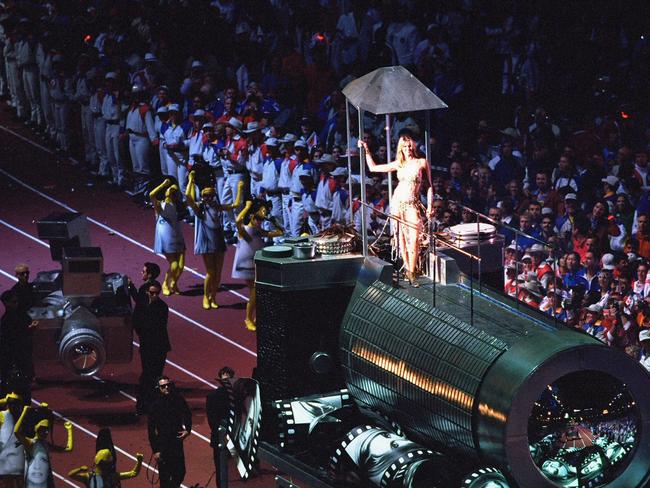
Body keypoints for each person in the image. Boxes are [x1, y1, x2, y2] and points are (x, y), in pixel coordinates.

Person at [359, 133, 433, 287]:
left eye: (410, 146)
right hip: (398, 202)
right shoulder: (399, 164)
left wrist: (430, 206)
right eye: (405, 147)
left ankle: (411, 271)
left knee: (414, 238)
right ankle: (409, 271)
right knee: (402, 238)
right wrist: (366, 150)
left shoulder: (421, 162)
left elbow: (429, 186)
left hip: (412, 203)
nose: (408, 149)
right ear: (401, 148)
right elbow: (373, 168)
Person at [186, 171, 244, 309]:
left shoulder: (217, 206)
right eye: (205, 195)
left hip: (218, 239)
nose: (208, 197)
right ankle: (206, 297)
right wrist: (191, 180)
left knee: (218, 273)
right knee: (211, 272)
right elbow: (188, 197)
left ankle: (213, 297)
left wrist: (240, 189)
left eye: (211, 195)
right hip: (206, 241)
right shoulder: (200, 208)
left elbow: (234, 205)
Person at [233, 198, 283, 330]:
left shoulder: (258, 230)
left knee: (256, 292)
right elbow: (237, 220)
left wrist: (272, 221)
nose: (260, 222)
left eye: (261, 220)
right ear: (251, 216)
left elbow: (279, 233)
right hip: (246, 264)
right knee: (255, 292)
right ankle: (248, 319)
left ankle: (256, 317)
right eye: (258, 219)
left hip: (255, 263)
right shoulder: (243, 229)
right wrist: (246, 207)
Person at [14, 404, 74, 488]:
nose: (45, 432)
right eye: (43, 429)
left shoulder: (45, 445)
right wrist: (24, 412)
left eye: (47, 429)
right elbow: (16, 432)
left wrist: (70, 431)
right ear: (36, 428)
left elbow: (68, 449)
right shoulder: (30, 443)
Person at [147, 376, 191, 488]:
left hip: (176, 440)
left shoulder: (178, 399)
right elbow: (151, 430)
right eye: (163, 386)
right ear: (159, 388)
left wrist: (188, 430)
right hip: (163, 443)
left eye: (168, 385)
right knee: (165, 475)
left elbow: (187, 413)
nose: (166, 387)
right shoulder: (155, 406)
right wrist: (155, 450)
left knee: (181, 471)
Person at [134, 281, 170, 415]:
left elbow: (159, 325)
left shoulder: (162, 307)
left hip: (160, 346)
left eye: (156, 293)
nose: (154, 295)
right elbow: (137, 323)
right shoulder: (142, 307)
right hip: (147, 347)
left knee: (156, 376)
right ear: (147, 292)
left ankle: (154, 404)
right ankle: (143, 404)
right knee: (147, 376)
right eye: (152, 293)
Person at [150, 179, 186, 295]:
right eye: (171, 191)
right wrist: (163, 185)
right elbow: (152, 195)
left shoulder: (176, 205)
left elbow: (189, 198)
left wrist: (190, 181)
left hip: (177, 235)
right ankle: (165, 283)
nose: (172, 193)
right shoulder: (160, 205)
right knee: (174, 265)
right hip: (166, 238)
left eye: (174, 192)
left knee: (180, 266)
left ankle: (174, 283)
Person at [1, 290, 37, 395]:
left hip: (23, 350)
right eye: (14, 302)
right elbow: (14, 336)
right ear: (7, 303)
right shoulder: (6, 320)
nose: (16, 303)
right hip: (14, 352)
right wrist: (29, 329)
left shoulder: (20, 315)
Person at [206, 366, 235, 488]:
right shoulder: (214, 396)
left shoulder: (237, 396)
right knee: (225, 468)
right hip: (224, 438)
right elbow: (212, 420)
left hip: (226, 438)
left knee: (224, 469)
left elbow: (211, 420)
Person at [68, 448, 143, 487]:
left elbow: (71, 475)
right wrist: (139, 461)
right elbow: (133, 473)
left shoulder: (88, 476)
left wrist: (80, 469)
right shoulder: (113, 476)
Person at [0, 393, 26, 487]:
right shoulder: (2, 415)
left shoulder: (22, 416)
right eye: (11, 403)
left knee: (20, 483)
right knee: (8, 483)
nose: (14, 406)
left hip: (18, 454)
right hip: (5, 454)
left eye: (16, 404)